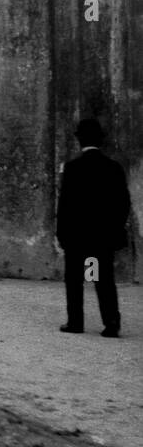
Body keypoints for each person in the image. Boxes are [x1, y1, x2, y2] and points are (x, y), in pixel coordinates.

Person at [56, 118, 132, 337]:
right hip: (102, 238)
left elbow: (66, 205)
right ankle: (111, 322)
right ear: (101, 139)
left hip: (77, 237)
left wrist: (62, 234)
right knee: (102, 279)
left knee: (74, 280)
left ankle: (75, 322)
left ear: (79, 139)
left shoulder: (72, 168)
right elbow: (123, 204)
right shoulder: (113, 168)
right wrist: (115, 229)